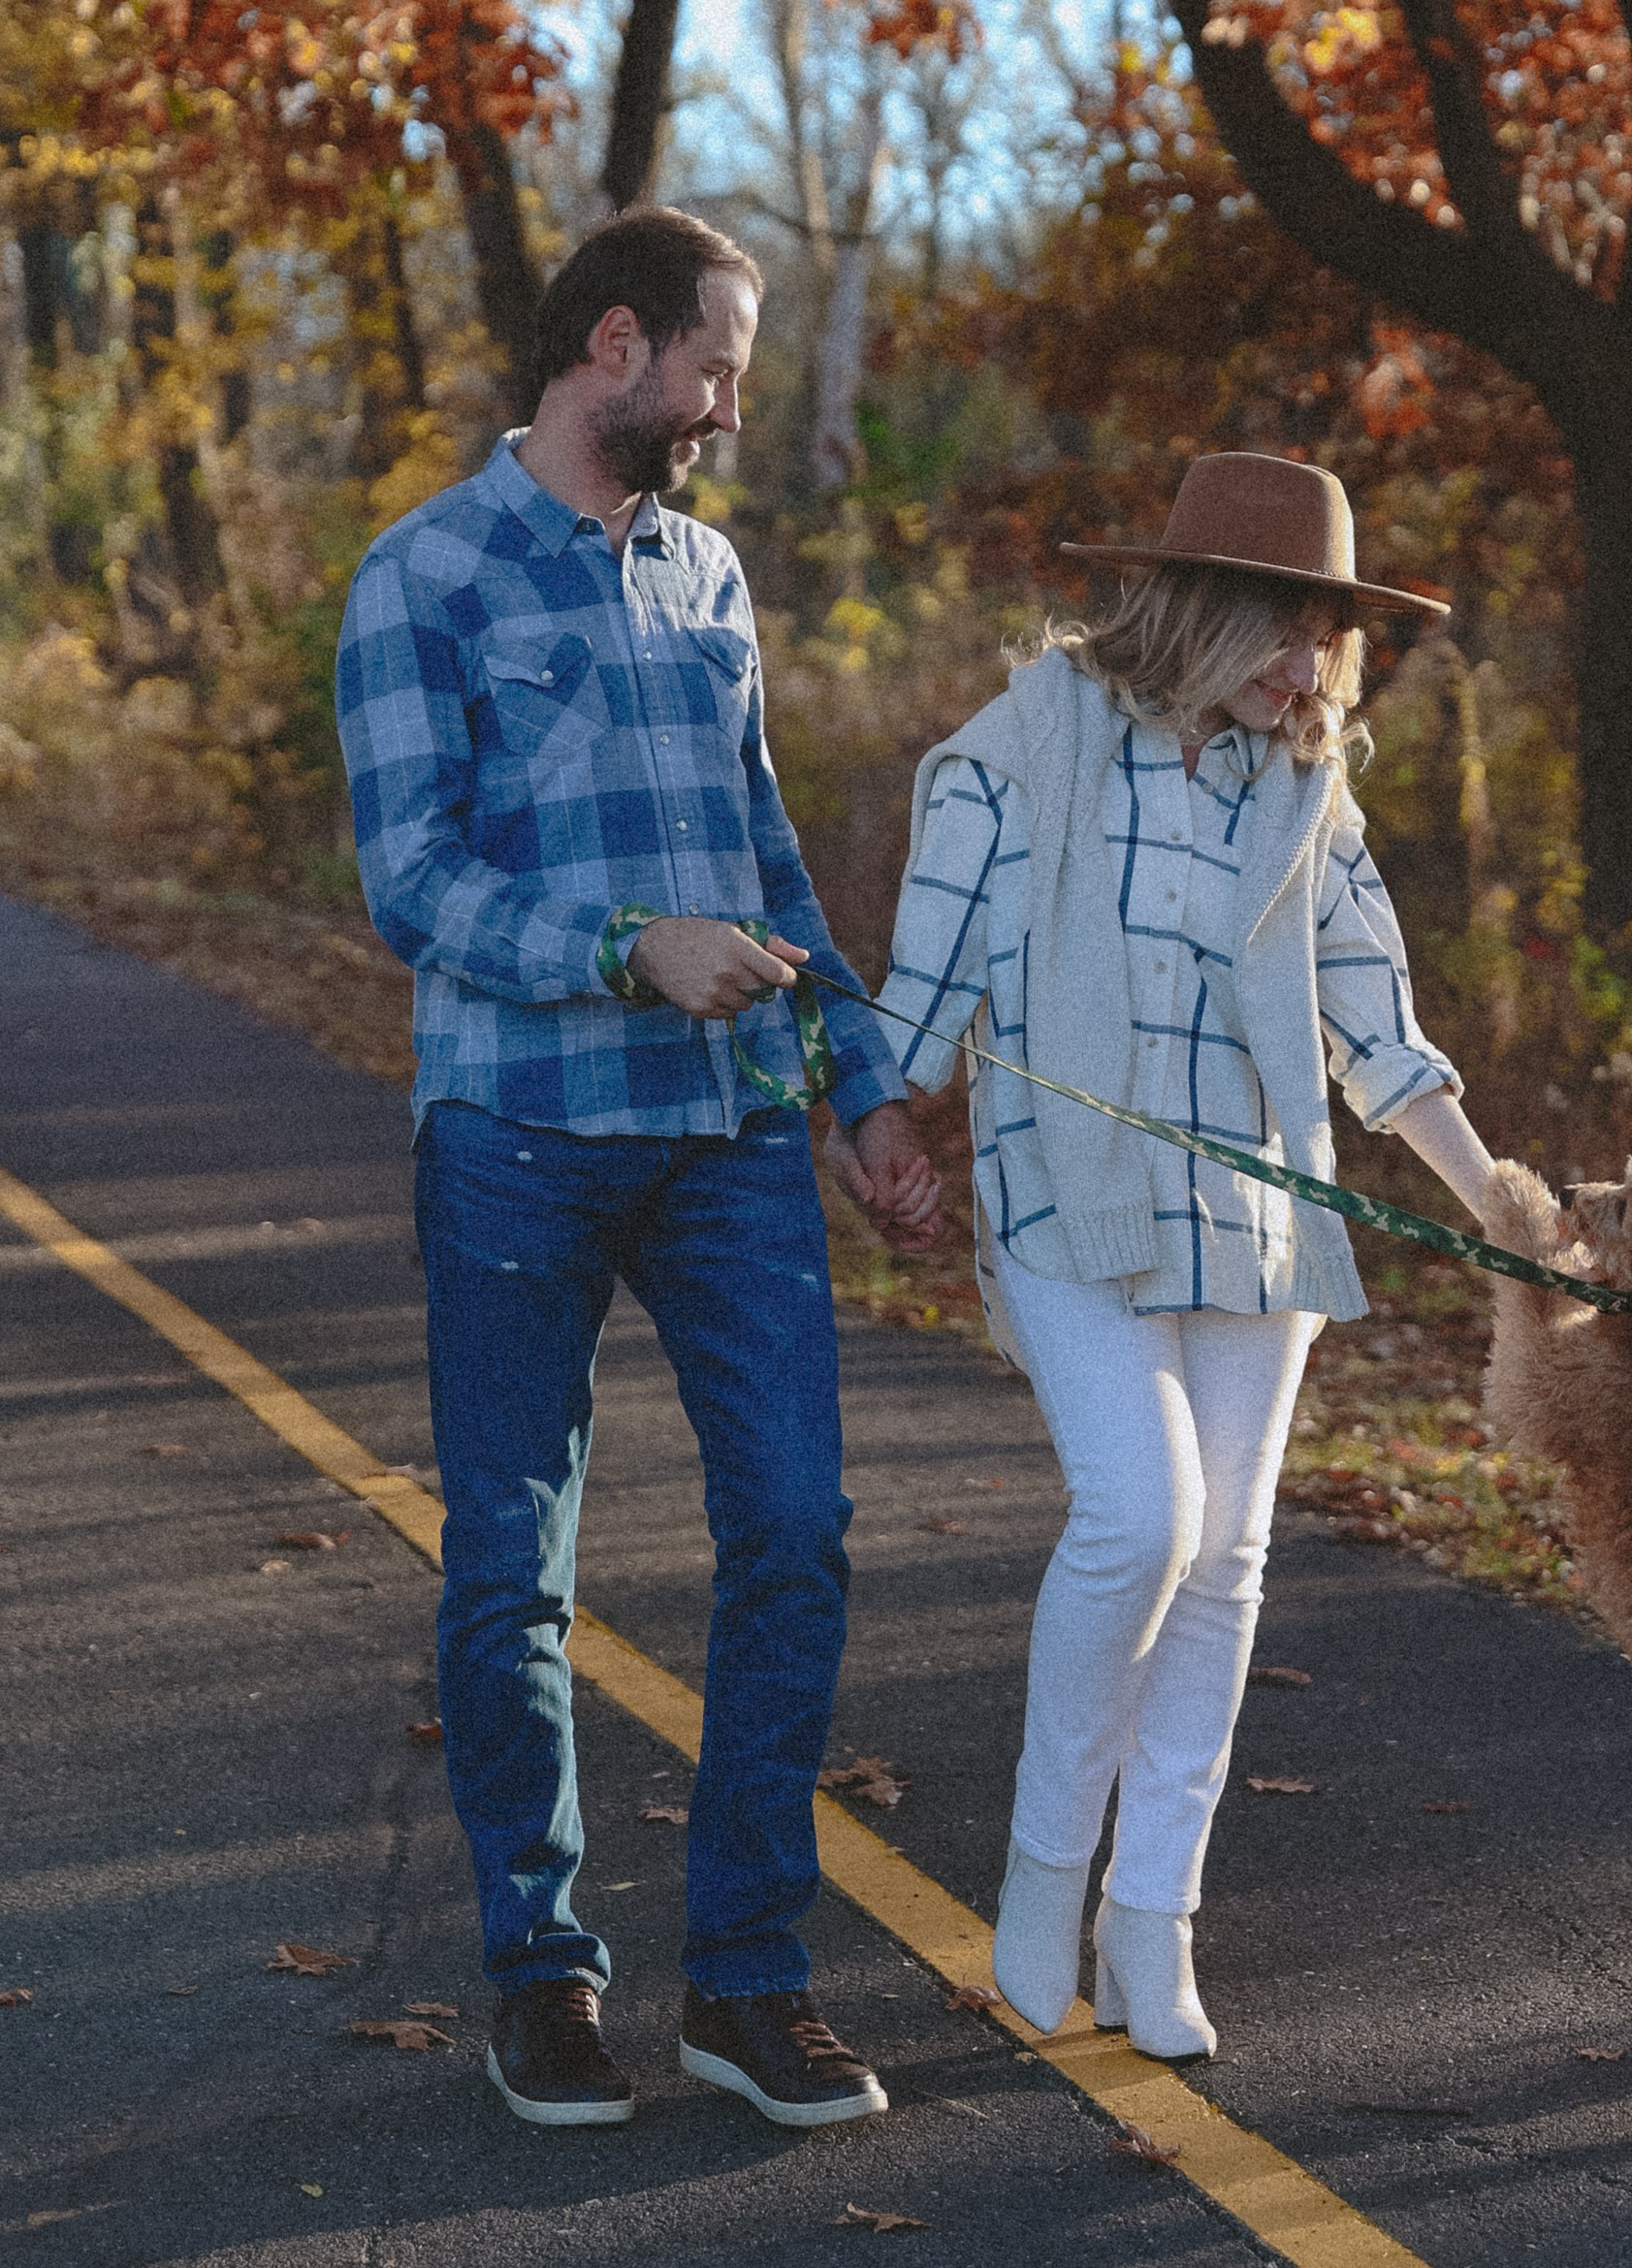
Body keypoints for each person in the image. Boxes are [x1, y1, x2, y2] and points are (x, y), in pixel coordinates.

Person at [335, 208, 939, 2133]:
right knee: (513, 1569)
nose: (731, 404)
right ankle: (544, 1974)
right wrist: (620, 948)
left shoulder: (708, 573)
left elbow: (765, 859)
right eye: (717, 365)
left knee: (795, 1529)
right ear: (615, 344)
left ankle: (749, 1981)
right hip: (514, 1134)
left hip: (732, 1130)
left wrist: (860, 1085)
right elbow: (410, 878)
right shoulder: (417, 575)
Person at [876, 452, 1495, 2060]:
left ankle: (1154, 1923)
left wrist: (1491, 1198)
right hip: (1068, 1192)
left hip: (1259, 1207)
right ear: (1194, 605)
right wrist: (873, 1116)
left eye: (1329, 638)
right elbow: (926, 983)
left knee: (1226, 1564)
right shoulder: (1021, 750)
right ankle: (1040, 1877)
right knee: (1139, 1520)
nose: (1309, 668)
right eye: (1285, 626)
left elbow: (1379, 1029)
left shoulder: (1303, 793)